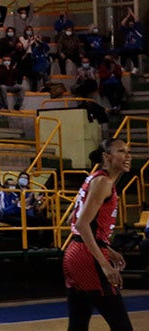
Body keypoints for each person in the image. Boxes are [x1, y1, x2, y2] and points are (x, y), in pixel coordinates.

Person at [62, 138, 133, 331]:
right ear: (106, 157)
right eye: (121, 151)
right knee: (122, 326)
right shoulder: (103, 182)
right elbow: (81, 223)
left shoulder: (95, 178)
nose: (127, 156)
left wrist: (107, 248)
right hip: (87, 257)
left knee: (78, 325)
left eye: (128, 152)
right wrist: (104, 263)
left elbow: (72, 219)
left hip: (74, 253)